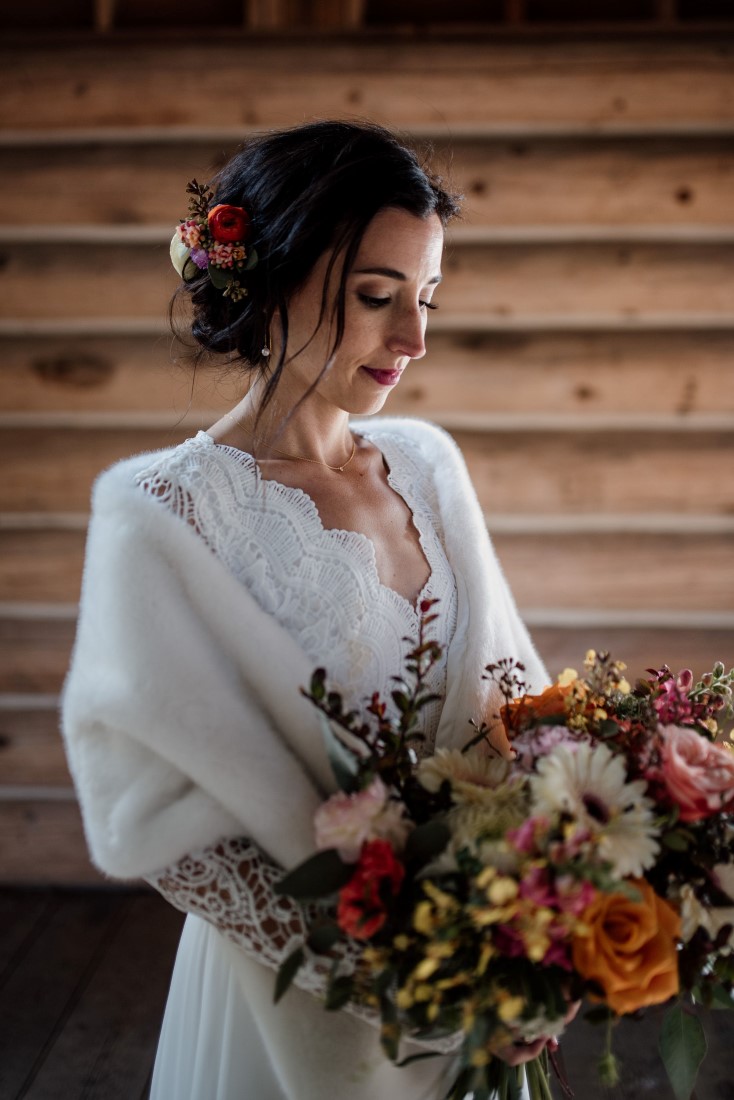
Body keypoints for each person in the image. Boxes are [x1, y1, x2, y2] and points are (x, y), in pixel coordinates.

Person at [61, 121, 559, 1100]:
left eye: (424, 298)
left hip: (480, 956)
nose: (412, 338)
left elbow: (511, 703)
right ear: (276, 275)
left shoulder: (427, 465)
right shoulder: (160, 512)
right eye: (377, 297)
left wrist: (539, 925)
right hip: (283, 993)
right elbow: (167, 818)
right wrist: (410, 975)